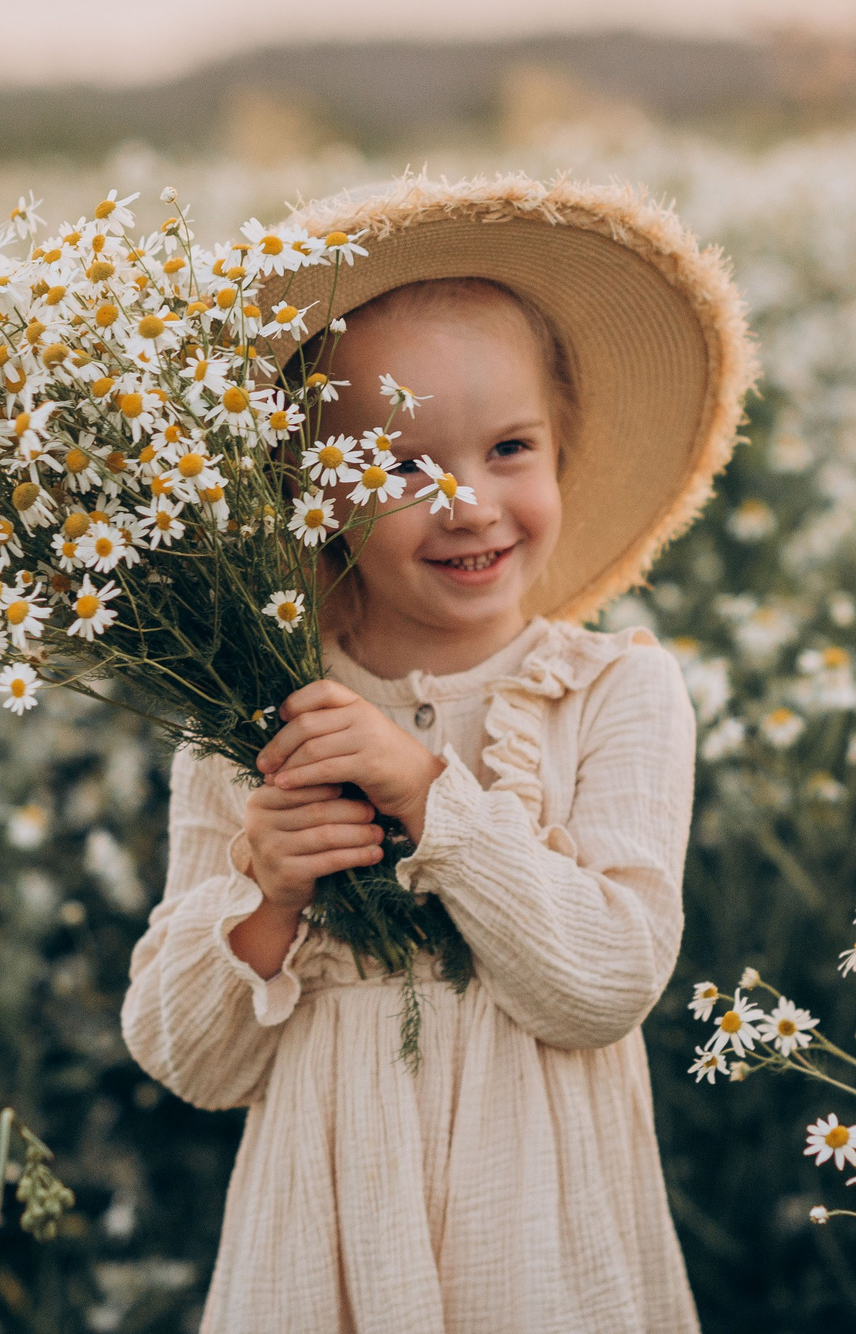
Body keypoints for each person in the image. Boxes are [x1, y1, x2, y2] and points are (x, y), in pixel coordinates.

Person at [120, 172, 755, 1333]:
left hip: (542, 1240)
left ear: (562, 451)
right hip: (326, 1245)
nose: (469, 504)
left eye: (510, 446)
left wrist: (429, 796)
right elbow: (187, 1059)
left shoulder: (613, 691)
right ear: (310, 496)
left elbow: (606, 982)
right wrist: (268, 892)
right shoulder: (254, 714)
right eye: (402, 466)